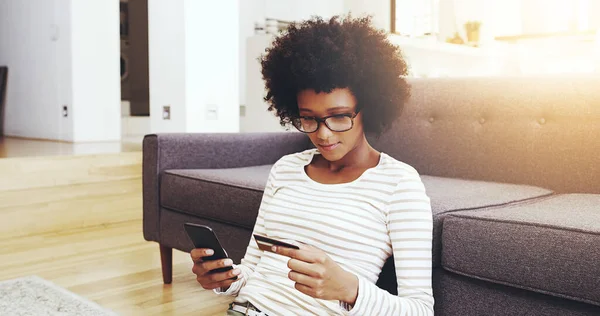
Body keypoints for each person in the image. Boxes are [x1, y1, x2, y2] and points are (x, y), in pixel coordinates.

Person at [191, 15, 433, 316]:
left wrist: (350, 289)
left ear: (369, 107)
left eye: (339, 116)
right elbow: (253, 271)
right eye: (308, 118)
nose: (323, 133)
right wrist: (224, 280)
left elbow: (420, 310)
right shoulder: (285, 169)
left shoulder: (399, 184)